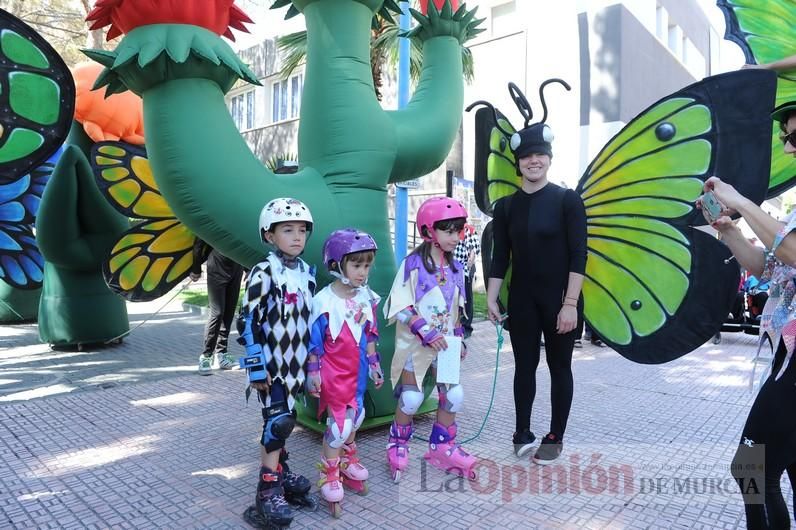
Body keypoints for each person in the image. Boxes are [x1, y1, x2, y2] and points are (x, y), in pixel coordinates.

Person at [704, 100, 796, 530]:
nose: (788, 148)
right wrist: (732, 232)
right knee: (782, 471)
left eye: (794, 138)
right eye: (786, 138)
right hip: (786, 355)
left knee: (750, 470)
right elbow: (769, 267)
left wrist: (741, 199)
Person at [486, 119, 587, 464]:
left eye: (539, 154)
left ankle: (555, 436)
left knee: (560, 368)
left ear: (549, 158)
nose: (533, 160)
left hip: (561, 299)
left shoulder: (567, 200)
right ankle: (521, 432)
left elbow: (579, 254)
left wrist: (570, 303)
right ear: (518, 161)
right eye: (527, 155)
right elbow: (500, 256)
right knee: (523, 367)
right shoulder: (505, 207)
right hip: (522, 299)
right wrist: (491, 296)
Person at [238, 197, 318, 528]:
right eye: (287, 230)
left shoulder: (307, 273)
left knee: (288, 418)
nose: (297, 237)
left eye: (302, 230)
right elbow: (247, 322)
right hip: (271, 366)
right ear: (270, 235)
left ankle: (280, 475)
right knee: (277, 424)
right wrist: (257, 367)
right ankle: (266, 492)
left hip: (295, 365)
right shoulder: (263, 272)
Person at [384, 197, 476, 483]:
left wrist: (459, 337)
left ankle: (443, 447)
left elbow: (456, 310)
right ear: (428, 231)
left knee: (454, 395)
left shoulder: (457, 269)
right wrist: (425, 330)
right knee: (411, 398)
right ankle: (397, 443)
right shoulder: (413, 265)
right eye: (448, 230)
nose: (455, 237)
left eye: (458, 230)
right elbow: (398, 305)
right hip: (416, 345)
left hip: (446, 344)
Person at [307, 229, 384, 517]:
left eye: (367, 265)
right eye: (356, 265)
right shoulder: (323, 302)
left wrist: (375, 365)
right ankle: (330, 472)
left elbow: (371, 334)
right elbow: (314, 344)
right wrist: (313, 373)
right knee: (338, 426)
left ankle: (348, 460)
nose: (363, 272)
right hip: (333, 374)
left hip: (358, 374)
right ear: (337, 265)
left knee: (357, 417)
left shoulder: (365, 297)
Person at [191, 239, 245, 375]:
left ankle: (222, 354)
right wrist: (196, 269)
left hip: (236, 267)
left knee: (229, 311)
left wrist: (248, 269)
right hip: (217, 266)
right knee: (217, 312)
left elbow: (245, 242)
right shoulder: (214, 218)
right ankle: (206, 356)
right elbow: (199, 243)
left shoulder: (238, 219)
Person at [453, 223, 480, 338]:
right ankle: (456, 323)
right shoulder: (452, 229)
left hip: (465, 268)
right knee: (455, 296)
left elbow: (474, 250)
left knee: (467, 297)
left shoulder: (470, 231)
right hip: (454, 267)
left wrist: (469, 263)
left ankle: (467, 326)